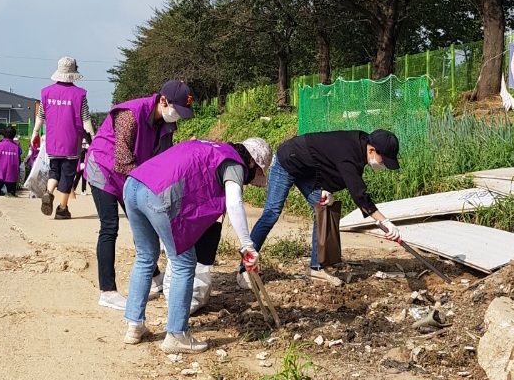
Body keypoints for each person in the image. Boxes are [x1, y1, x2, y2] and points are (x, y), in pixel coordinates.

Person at [122, 137, 272, 354]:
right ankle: (176, 335)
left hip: (134, 184)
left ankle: (134, 326)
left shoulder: (210, 146)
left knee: (146, 256)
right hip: (157, 194)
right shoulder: (235, 162)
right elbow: (234, 203)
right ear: (253, 162)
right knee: (184, 262)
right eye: (257, 173)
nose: (251, 180)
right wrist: (248, 245)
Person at [238, 129, 402, 288]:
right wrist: (384, 221)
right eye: (383, 160)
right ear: (372, 149)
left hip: (306, 168)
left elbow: (326, 158)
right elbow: (359, 195)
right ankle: (244, 269)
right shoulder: (350, 155)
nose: (383, 165)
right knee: (271, 213)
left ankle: (316, 268)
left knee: (322, 210)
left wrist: (325, 188)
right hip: (287, 160)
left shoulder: (359, 145)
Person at [84, 80, 194, 311]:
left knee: (144, 223)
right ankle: (108, 291)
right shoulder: (130, 114)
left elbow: (164, 160)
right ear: (163, 101)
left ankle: (155, 278)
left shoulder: (166, 124)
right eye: (177, 110)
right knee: (109, 227)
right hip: (104, 168)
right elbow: (123, 160)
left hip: (132, 174)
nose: (177, 116)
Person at [29, 56, 95, 220]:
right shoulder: (80, 95)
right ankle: (62, 209)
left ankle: (49, 192)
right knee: (67, 175)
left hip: (53, 140)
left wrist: (35, 133)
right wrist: (94, 137)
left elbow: (40, 116)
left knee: (54, 170)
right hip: (72, 142)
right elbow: (86, 120)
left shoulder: (46, 92)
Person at [0, 126, 23, 196]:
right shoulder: (17, 147)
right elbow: (19, 161)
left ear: (3, 134)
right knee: (11, 195)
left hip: (0, 175)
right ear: (14, 135)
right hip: (12, 176)